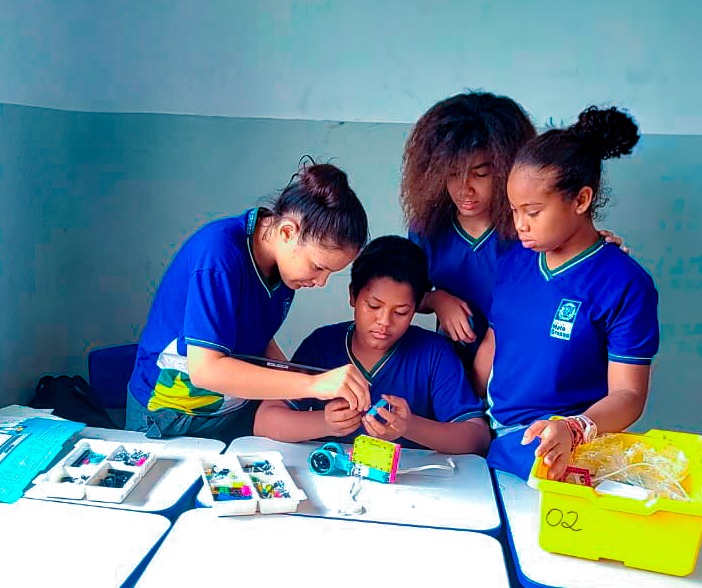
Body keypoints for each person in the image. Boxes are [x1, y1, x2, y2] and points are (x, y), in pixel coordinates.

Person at [473, 106, 660, 481]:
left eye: (533, 211)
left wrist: (575, 427)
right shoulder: (514, 262)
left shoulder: (624, 283)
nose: (520, 224)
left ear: (580, 200)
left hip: (559, 449)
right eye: (514, 210)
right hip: (491, 442)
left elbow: (628, 396)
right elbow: (496, 343)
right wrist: (462, 414)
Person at [126, 162, 372, 443]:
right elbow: (206, 370)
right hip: (170, 417)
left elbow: (257, 340)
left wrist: (308, 385)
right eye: (318, 267)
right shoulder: (219, 255)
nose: (321, 281)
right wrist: (313, 384)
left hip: (232, 412)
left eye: (330, 272)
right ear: (287, 232)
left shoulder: (283, 269)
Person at [401, 92, 623, 368]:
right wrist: (437, 299)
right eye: (452, 174)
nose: (464, 188)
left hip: (522, 370)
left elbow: (575, 270)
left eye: (480, 174)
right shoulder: (428, 229)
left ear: (509, 170)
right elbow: (404, 295)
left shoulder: (532, 233)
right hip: (452, 368)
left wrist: (600, 251)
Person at [254, 235, 491, 455]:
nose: (384, 322)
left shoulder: (434, 354)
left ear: (417, 308)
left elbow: (477, 438)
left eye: (400, 312)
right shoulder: (322, 345)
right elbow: (265, 422)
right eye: (373, 306)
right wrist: (324, 422)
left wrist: (409, 426)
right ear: (353, 296)